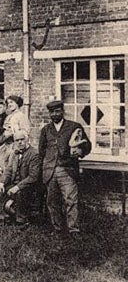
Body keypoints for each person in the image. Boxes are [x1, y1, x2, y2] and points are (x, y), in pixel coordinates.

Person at [38, 100, 91, 234]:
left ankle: (73, 230)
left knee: (71, 200)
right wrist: (44, 167)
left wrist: (81, 151)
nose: (54, 114)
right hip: (49, 170)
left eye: (57, 111)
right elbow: (42, 151)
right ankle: (58, 229)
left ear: (62, 111)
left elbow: (87, 145)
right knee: (52, 202)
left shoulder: (74, 127)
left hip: (67, 169)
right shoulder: (45, 130)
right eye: (52, 112)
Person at [1, 130, 41, 226]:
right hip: (15, 183)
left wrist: (18, 187)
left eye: (22, 139)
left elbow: (33, 176)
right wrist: (1, 183)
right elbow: (9, 170)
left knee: (20, 193)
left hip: (29, 185)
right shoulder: (14, 154)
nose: (19, 142)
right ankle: (6, 217)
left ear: (27, 140)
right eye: (17, 140)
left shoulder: (34, 154)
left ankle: (22, 220)